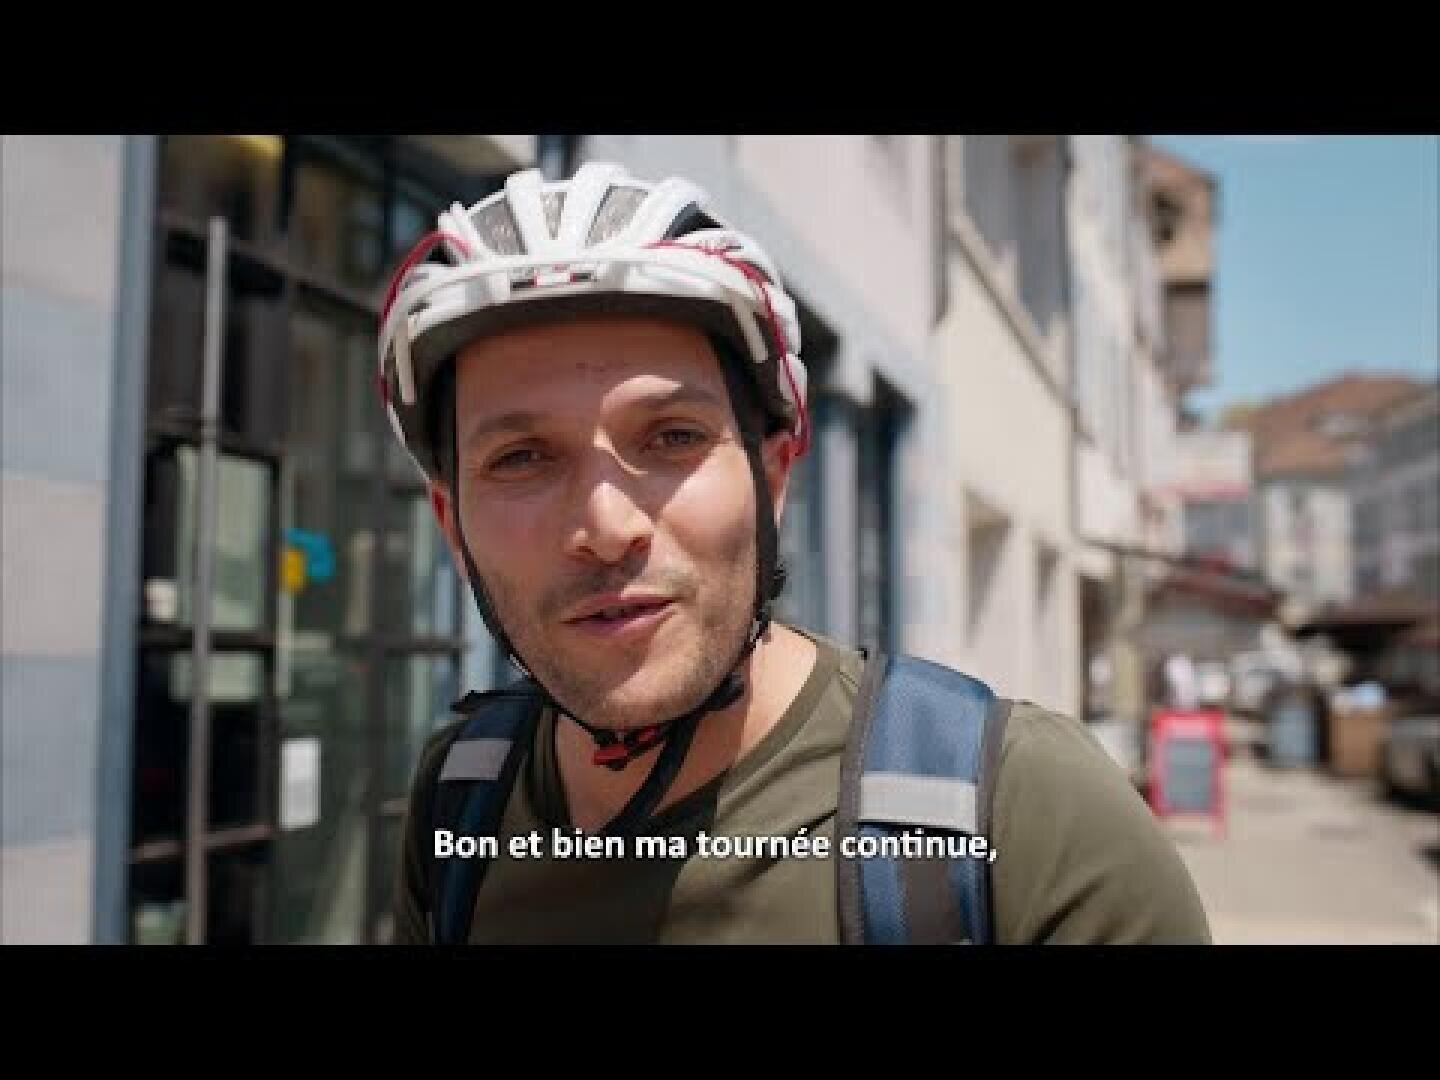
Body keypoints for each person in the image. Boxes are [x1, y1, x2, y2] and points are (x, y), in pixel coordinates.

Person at [382, 160, 1212, 944]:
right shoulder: (462, 802)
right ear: (452, 526)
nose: (606, 526)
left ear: (774, 475)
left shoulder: (1027, 820)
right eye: (521, 458)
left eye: (672, 437)